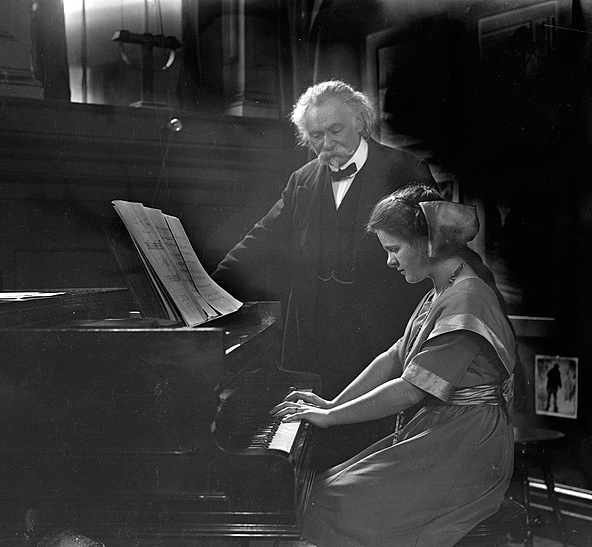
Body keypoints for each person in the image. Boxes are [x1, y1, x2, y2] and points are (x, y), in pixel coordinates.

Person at [272, 185, 517, 546]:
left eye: (394, 249)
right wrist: (332, 403)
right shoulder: (441, 291)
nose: (390, 261)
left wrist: (329, 419)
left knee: (331, 504)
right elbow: (392, 358)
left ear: (426, 242)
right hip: (443, 431)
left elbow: (409, 388)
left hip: (469, 446)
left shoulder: (468, 298)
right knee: (322, 493)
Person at [211, 80, 435, 468]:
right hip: (314, 341)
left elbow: (435, 250)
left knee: (375, 452)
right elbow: (260, 239)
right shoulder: (302, 180)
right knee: (320, 452)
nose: (327, 143)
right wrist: (208, 289)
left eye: (336, 130)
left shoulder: (405, 169)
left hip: (382, 337)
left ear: (360, 123)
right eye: (316, 135)